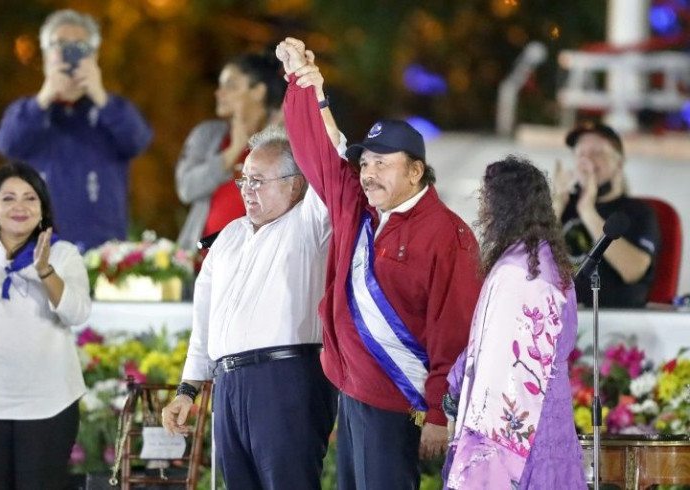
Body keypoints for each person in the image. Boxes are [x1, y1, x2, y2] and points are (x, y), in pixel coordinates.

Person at [277, 39, 482, 489]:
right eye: (365, 163)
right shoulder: (359, 206)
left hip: (399, 405)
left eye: (381, 164)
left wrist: (438, 412)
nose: (367, 173)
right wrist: (300, 84)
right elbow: (317, 153)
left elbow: (455, 330)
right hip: (352, 393)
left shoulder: (449, 235)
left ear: (416, 172)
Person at [162, 126, 337, 490]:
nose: (247, 190)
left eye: (259, 181)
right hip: (229, 383)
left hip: (286, 377)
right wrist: (187, 389)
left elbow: (331, 158)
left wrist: (309, 92)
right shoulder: (229, 236)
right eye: (244, 180)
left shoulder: (309, 223)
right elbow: (205, 322)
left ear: (295, 183)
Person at [442, 156, 586, 489]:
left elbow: (499, 361)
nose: (483, 212)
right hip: (552, 422)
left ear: (507, 206)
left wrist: (454, 386)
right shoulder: (545, 262)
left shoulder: (519, 274)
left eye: (486, 201)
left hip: (524, 436)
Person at [0, 162, 91, 489]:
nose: (20, 206)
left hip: (50, 403)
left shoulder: (63, 254)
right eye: (9, 198)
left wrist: (45, 271)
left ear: (42, 209)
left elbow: (77, 313)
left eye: (30, 198)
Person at [0, 9, 153, 252]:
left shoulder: (111, 109)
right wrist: (44, 99)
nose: (69, 55)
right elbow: (8, 144)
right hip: (38, 252)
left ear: (94, 55)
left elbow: (138, 140)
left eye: (79, 46)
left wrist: (100, 96)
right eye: (59, 45)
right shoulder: (29, 110)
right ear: (46, 56)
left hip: (101, 254)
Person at [175, 51, 286, 250]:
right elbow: (186, 189)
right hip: (200, 267)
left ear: (258, 91)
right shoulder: (207, 135)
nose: (219, 93)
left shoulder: (282, 142)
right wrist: (233, 150)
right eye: (220, 85)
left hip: (256, 269)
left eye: (230, 85)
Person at [552, 121, 659, 308]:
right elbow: (528, 265)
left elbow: (634, 271)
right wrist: (555, 206)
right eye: (581, 154)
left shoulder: (638, 212)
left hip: (614, 324)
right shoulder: (563, 207)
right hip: (560, 321)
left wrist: (588, 211)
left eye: (597, 153)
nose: (588, 161)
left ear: (618, 163)